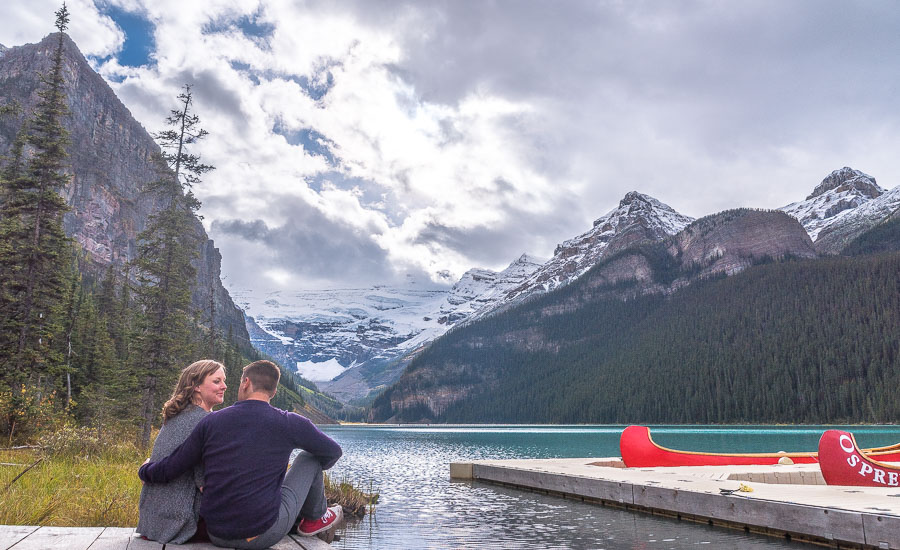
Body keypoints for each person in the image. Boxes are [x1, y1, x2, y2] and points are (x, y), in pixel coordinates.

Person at [139, 360, 343, 549]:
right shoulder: (289, 422)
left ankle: (306, 516)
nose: (226, 386)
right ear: (273, 391)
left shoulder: (211, 422)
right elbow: (333, 452)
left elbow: (172, 466)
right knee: (309, 459)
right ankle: (315, 518)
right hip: (260, 535)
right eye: (218, 381)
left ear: (245, 383)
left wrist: (144, 471)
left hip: (217, 533)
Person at [136, 359, 228, 543]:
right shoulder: (204, 422)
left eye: (224, 381)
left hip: (152, 523)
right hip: (180, 524)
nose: (224, 386)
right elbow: (205, 483)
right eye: (217, 381)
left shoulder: (177, 416)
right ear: (196, 386)